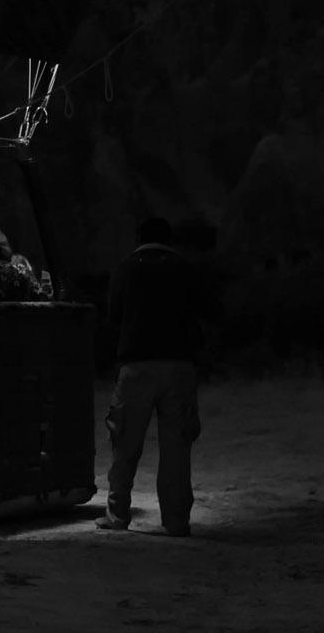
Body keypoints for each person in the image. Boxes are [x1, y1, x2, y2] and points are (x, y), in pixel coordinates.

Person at [96, 217, 214, 537]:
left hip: (136, 365)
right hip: (180, 365)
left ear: (138, 238)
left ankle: (117, 513)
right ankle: (176, 520)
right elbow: (209, 310)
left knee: (125, 441)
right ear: (169, 238)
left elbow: (113, 319)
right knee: (176, 445)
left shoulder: (125, 269)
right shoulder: (185, 268)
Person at [0, 222, 53, 301]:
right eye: (1, 233)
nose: (5, 237)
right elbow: (41, 301)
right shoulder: (16, 271)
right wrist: (48, 289)